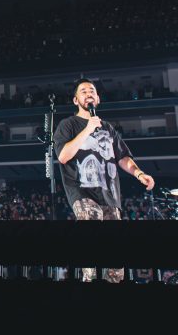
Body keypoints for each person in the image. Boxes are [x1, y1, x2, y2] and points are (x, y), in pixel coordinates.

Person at [55, 78, 155, 282]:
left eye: (92, 91)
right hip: (83, 192)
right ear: (76, 100)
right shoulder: (68, 124)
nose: (88, 94)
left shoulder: (108, 128)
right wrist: (88, 129)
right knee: (91, 229)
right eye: (83, 91)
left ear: (98, 99)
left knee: (114, 260)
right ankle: (90, 281)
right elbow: (63, 156)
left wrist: (139, 174)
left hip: (110, 196)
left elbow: (123, 157)